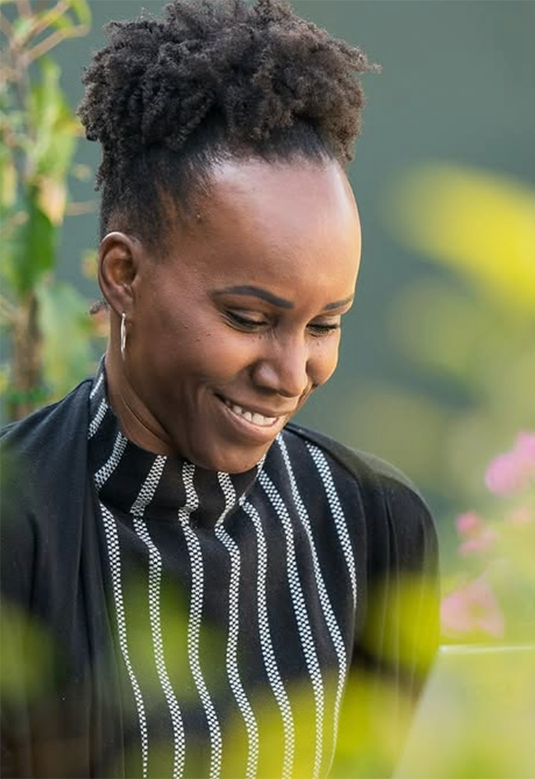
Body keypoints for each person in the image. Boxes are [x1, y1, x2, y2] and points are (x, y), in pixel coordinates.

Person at [0, 1, 439, 777]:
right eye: (247, 316)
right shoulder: (17, 531)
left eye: (324, 324)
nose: (290, 371)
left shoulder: (376, 527)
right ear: (123, 276)